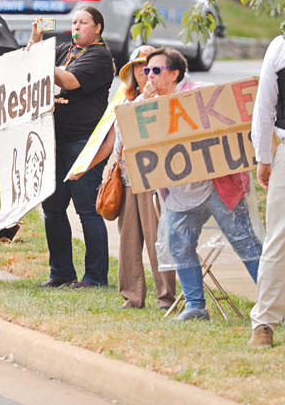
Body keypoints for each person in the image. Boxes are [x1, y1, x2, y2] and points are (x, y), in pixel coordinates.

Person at [144, 47, 261, 321]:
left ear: (174, 74)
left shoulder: (200, 93)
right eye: (147, 71)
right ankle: (196, 306)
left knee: (245, 242)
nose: (149, 76)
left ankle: (274, 302)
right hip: (180, 195)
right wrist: (143, 104)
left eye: (156, 71)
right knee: (179, 244)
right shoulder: (145, 105)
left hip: (218, 187)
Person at [27, 7, 115, 288]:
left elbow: (68, 81)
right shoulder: (66, 49)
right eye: (74, 22)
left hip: (84, 141)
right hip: (56, 138)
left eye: (83, 22)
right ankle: (61, 272)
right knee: (52, 207)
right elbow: (31, 62)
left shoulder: (99, 57)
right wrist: (35, 40)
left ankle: (95, 276)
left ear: (98, 27)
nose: (77, 27)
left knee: (86, 208)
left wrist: (42, 60)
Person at [112, 46, 177, 308]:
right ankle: (132, 295)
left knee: (158, 238)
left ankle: (166, 296)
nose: (144, 73)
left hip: (157, 179)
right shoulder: (125, 100)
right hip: (129, 178)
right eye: (139, 67)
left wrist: (150, 100)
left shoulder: (170, 98)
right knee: (129, 240)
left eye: (150, 67)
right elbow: (122, 133)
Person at [249, 34, 285, 346]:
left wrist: (263, 157)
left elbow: (264, 107)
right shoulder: (280, 46)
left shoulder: (280, 46)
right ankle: (264, 324)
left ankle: (264, 324)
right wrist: (264, 157)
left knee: (279, 237)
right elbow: (264, 107)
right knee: (279, 237)